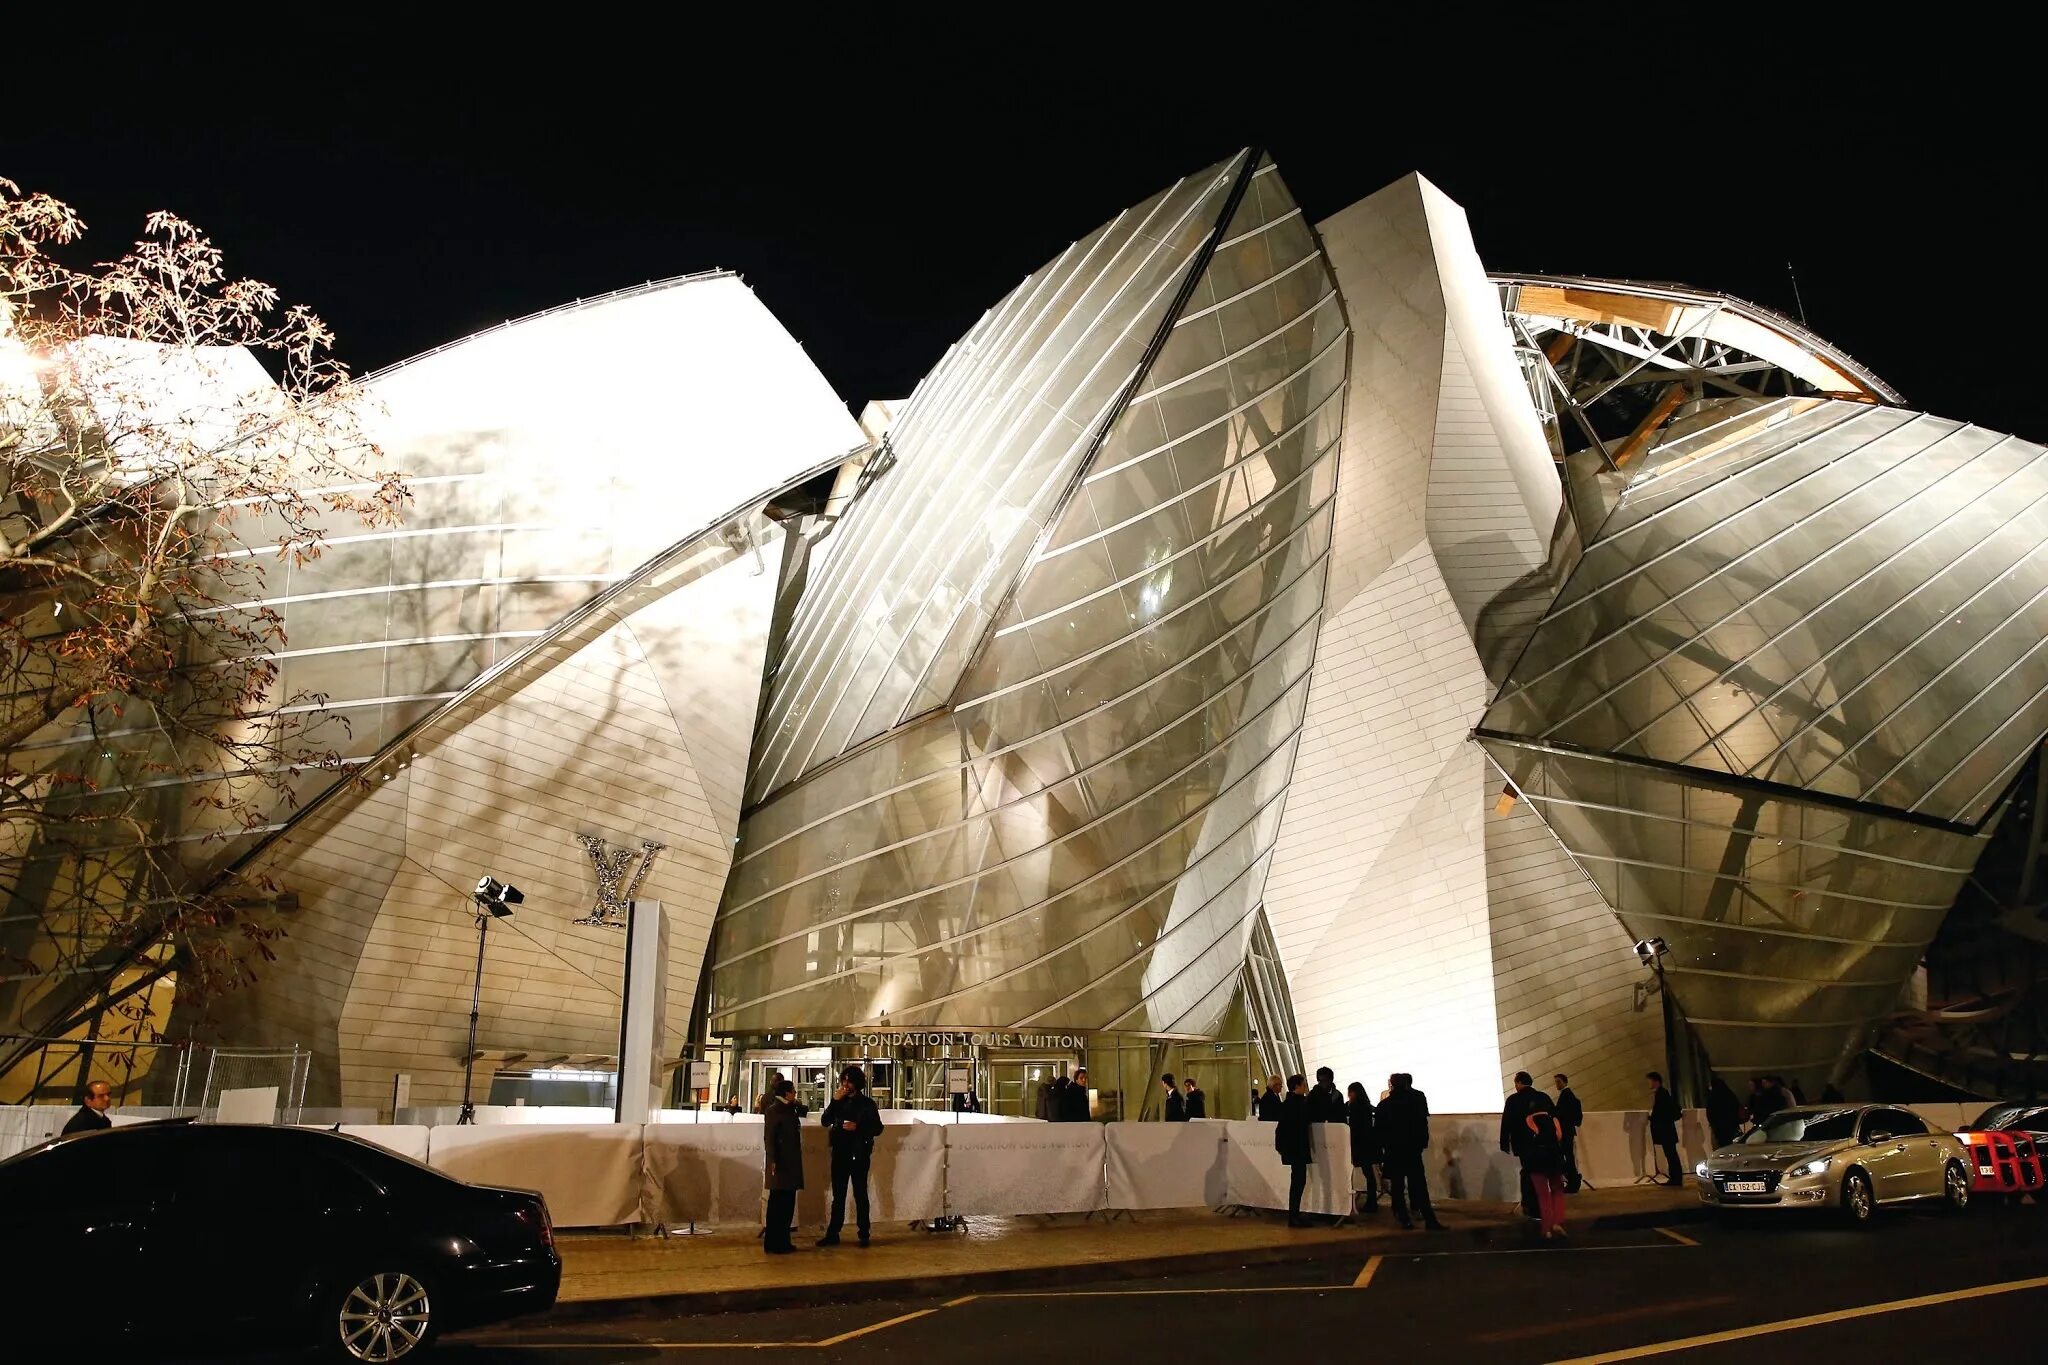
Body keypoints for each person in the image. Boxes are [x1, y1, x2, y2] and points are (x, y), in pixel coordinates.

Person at [817, 1066, 882, 1248]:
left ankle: (864, 1233)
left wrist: (858, 1127)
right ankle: (833, 1233)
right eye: (843, 1080)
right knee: (838, 1196)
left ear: (857, 1083)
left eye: (849, 1081)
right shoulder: (839, 1101)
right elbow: (825, 1121)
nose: (845, 1085)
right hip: (840, 1153)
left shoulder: (867, 1104)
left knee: (860, 1194)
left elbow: (878, 1128)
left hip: (859, 1154)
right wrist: (834, 1101)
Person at [1378, 1073, 1443, 1231]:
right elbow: (1422, 1124)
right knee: (1420, 1186)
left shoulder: (1385, 1105)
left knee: (1398, 1187)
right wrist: (1421, 1144)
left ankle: (1404, 1218)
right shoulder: (1416, 1100)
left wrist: (1383, 1152)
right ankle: (1429, 1219)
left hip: (1394, 1152)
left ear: (1392, 1085)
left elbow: (1380, 1132)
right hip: (1412, 1151)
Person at [761, 1077, 804, 1254]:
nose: (795, 1094)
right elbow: (769, 1138)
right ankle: (775, 1242)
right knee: (779, 1204)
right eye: (793, 1091)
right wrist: (772, 1161)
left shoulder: (789, 1109)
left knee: (785, 1204)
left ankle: (781, 1241)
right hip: (782, 1165)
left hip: (788, 1164)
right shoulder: (775, 1110)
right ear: (786, 1093)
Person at [1521, 1102, 1570, 1240]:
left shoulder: (1529, 1120)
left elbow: (1527, 1141)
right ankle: (1558, 1222)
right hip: (1554, 1161)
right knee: (1558, 1191)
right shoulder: (1553, 1120)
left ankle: (1546, 1228)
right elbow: (1559, 1137)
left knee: (1543, 1195)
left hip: (1536, 1162)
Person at [1500, 1072, 1546, 1218]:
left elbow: (1506, 1123)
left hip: (1523, 1143)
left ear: (1519, 1082)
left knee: (1527, 1172)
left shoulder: (1513, 1100)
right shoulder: (1542, 1097)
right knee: (1540, 1172)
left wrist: (1504, 1143)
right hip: (1542, 1142)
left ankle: (1529, 1205)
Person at [1275, 1073, 1313, 1227]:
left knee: (1297, 1181)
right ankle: (1294, 1216)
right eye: (1303, 1085)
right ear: (1297, 1086)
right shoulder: (1298, 1103)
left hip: (1291, 1148)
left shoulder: (1288, 1103)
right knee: (1298, 1181)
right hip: (1297, 1147)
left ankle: (1294, 1214)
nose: (1305, 1087)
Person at [1345, 1081, 1380, 1212]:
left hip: (1360, 1144)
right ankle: (1372, 1201)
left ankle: (1371, 1202)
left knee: (1367, 1173)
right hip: (1368, 1144)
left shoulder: (1353, 1106)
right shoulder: (1366, 1105)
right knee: (1369, 1173)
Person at [1648, 1072, 1682, 1186]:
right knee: (1671, 1154)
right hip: (1668, 1130)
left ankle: (1676, 1179)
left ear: (1656, 1081)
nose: (1650, 1083)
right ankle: (1676, 1178)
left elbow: (1661, 1112)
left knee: (1671, 1154)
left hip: (1666, 1131)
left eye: (1651, 1081)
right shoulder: (1662, 1093)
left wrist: (1651, 1117)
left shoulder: (1662, 1094)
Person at [1553, 1074, 1584, 1194]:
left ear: (1565, 1082)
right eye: (1556, 1082)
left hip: (1565, 1131)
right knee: (1568, 1156)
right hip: (1568, 1130)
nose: (1557, 1084)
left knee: (1566, 1156)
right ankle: (1573, 1179)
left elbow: (1561, 1113)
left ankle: (1573, 1180)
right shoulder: (1568, 1095)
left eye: (1558, 1081)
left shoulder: (1566, 1096)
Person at [1706, 1075, 1743, 1148]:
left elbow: (1710, 1112)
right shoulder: (1729, 1094)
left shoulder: (1713, 1096)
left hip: (1719, 1127)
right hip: (1731, 1125)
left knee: (1722, 1145)